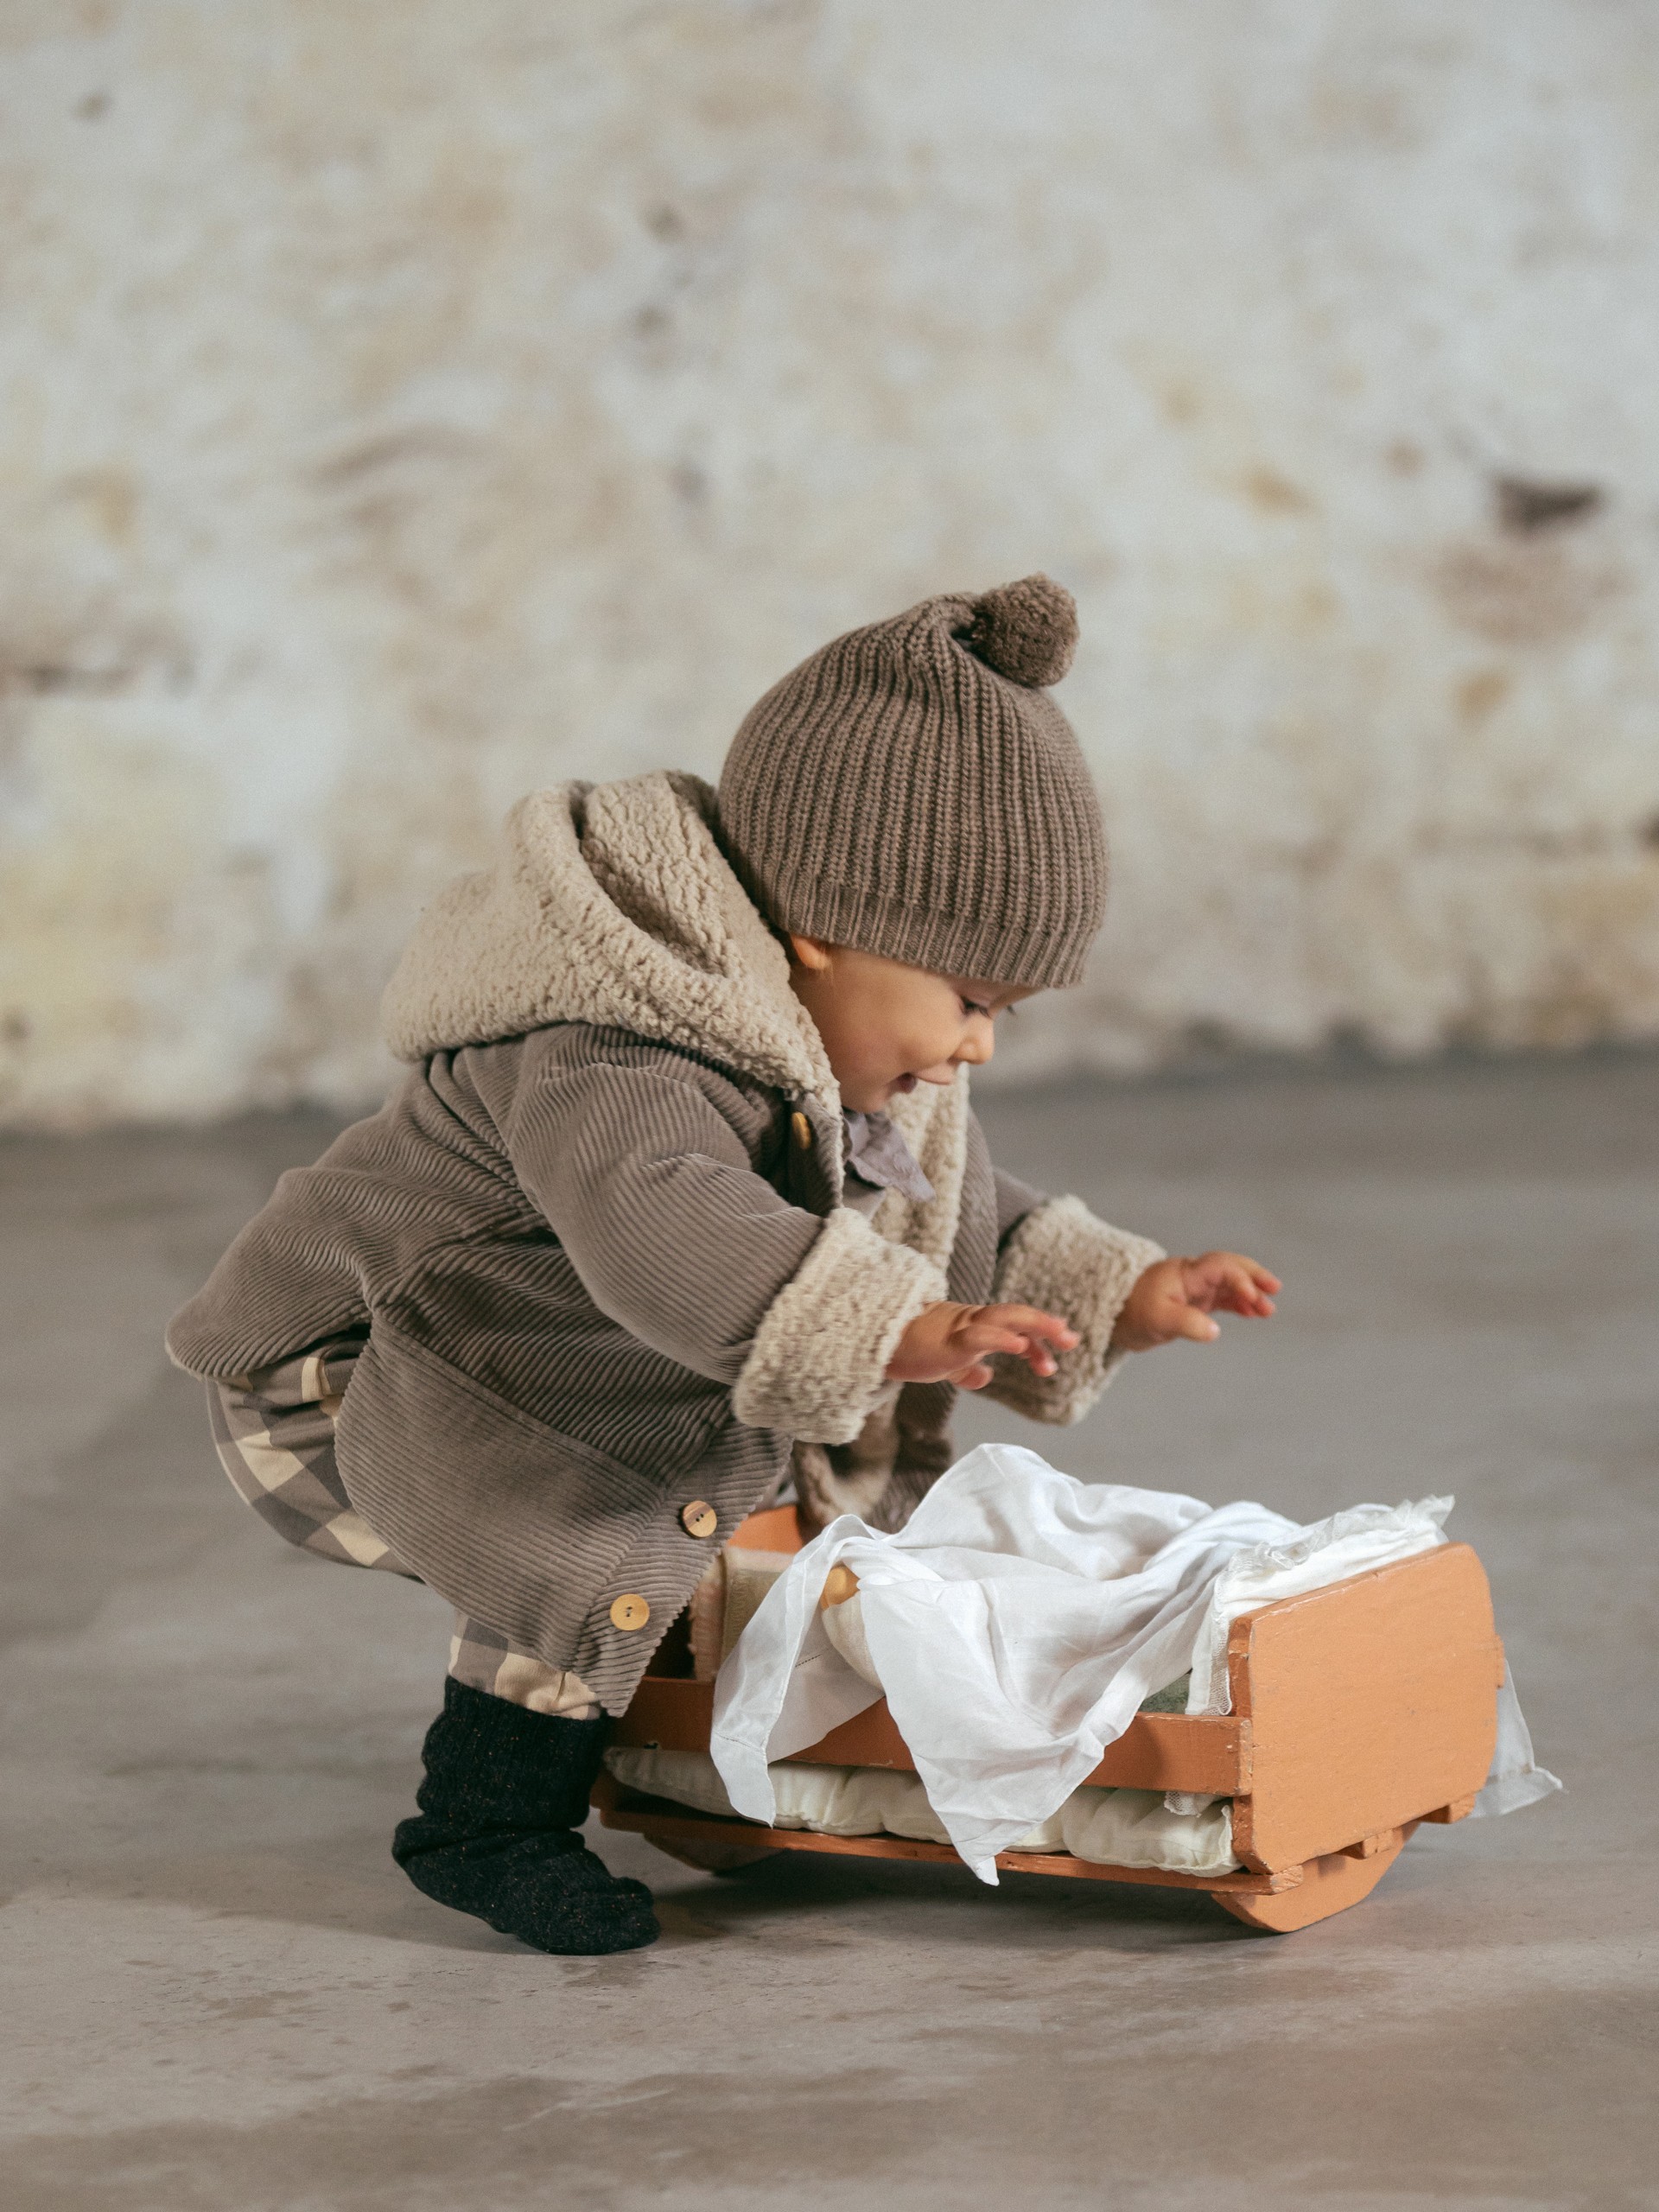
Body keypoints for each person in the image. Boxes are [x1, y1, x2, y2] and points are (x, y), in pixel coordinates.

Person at [167, 575, 1280, 1955]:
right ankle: (483, 1826)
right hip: (350, 1367)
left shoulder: (823, 1045)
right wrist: (887, 1331)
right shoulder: (616, 1045)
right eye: (971, 1000)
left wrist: (1118, 1291)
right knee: (598, 1522)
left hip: (515, 1342)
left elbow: (949, 1210)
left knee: (742, 1506)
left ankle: (713, 1746)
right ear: (826, 934)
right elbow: (661, 1220)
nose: (980, 1046)